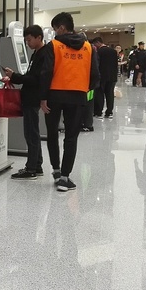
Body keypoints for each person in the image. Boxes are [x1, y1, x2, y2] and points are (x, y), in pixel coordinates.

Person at [39, 12, 99, 192]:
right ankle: (65, 177)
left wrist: (42, 98)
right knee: (71, 137)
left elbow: (46, 73)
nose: (55, 32)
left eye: (55, 29)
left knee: (52, 134)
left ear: (62, 28)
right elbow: (95, 75)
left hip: (54, 97)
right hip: (78, 96)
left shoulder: (54, 45)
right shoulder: (88, 47)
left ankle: (56, 171)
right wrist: (82, 88)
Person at [1, 24, 47, 179]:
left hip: (32, 99)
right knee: (33, 133)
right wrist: (13, 76)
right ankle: (37, 165)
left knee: (31, 134)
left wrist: (15, 76)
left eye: (29, 40)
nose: (27, 43)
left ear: (39, 37)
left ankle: (31, 168)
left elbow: (34, 79)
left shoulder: (43, 54)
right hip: (30, 98)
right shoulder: (36, 53)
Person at [92, 37, 118, 119]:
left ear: (98, 43)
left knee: (100, 94)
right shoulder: (113, 51)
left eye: (95, 44)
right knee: (110, 94)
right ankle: (109, 112)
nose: (95, 46)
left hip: (102, 75)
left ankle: (99, 112)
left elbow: (97, 64)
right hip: (112, 76)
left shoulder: (99, 52)